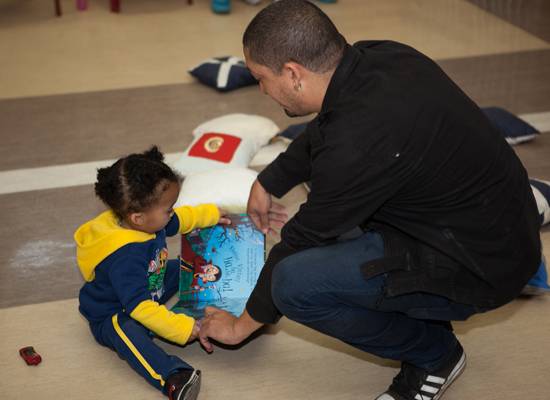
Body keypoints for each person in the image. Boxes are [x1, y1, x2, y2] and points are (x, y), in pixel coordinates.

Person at [197, 1, 542, 399]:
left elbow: (298, 240)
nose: (260, 89)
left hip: (484, 266)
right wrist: (270, 179)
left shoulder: (355, 146)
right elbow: (326, 126)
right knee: (341, 233)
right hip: (499, 221)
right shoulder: (383, 55)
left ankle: (435, 356)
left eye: (260, 78)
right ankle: (420, 313)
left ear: (293, 74)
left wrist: (240, 327)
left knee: (292, 283)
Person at [75, 145, 230, 400]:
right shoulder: (124, 257)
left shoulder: (151, 220)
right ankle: (172, 377)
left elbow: (181, 219)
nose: (172, 214)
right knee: (128, 333)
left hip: (150, 281)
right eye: (168, 209)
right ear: (138, 218)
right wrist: (181, 327)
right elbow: (141, 309)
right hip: (115, 311)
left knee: (186, 267)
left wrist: (211, 214)